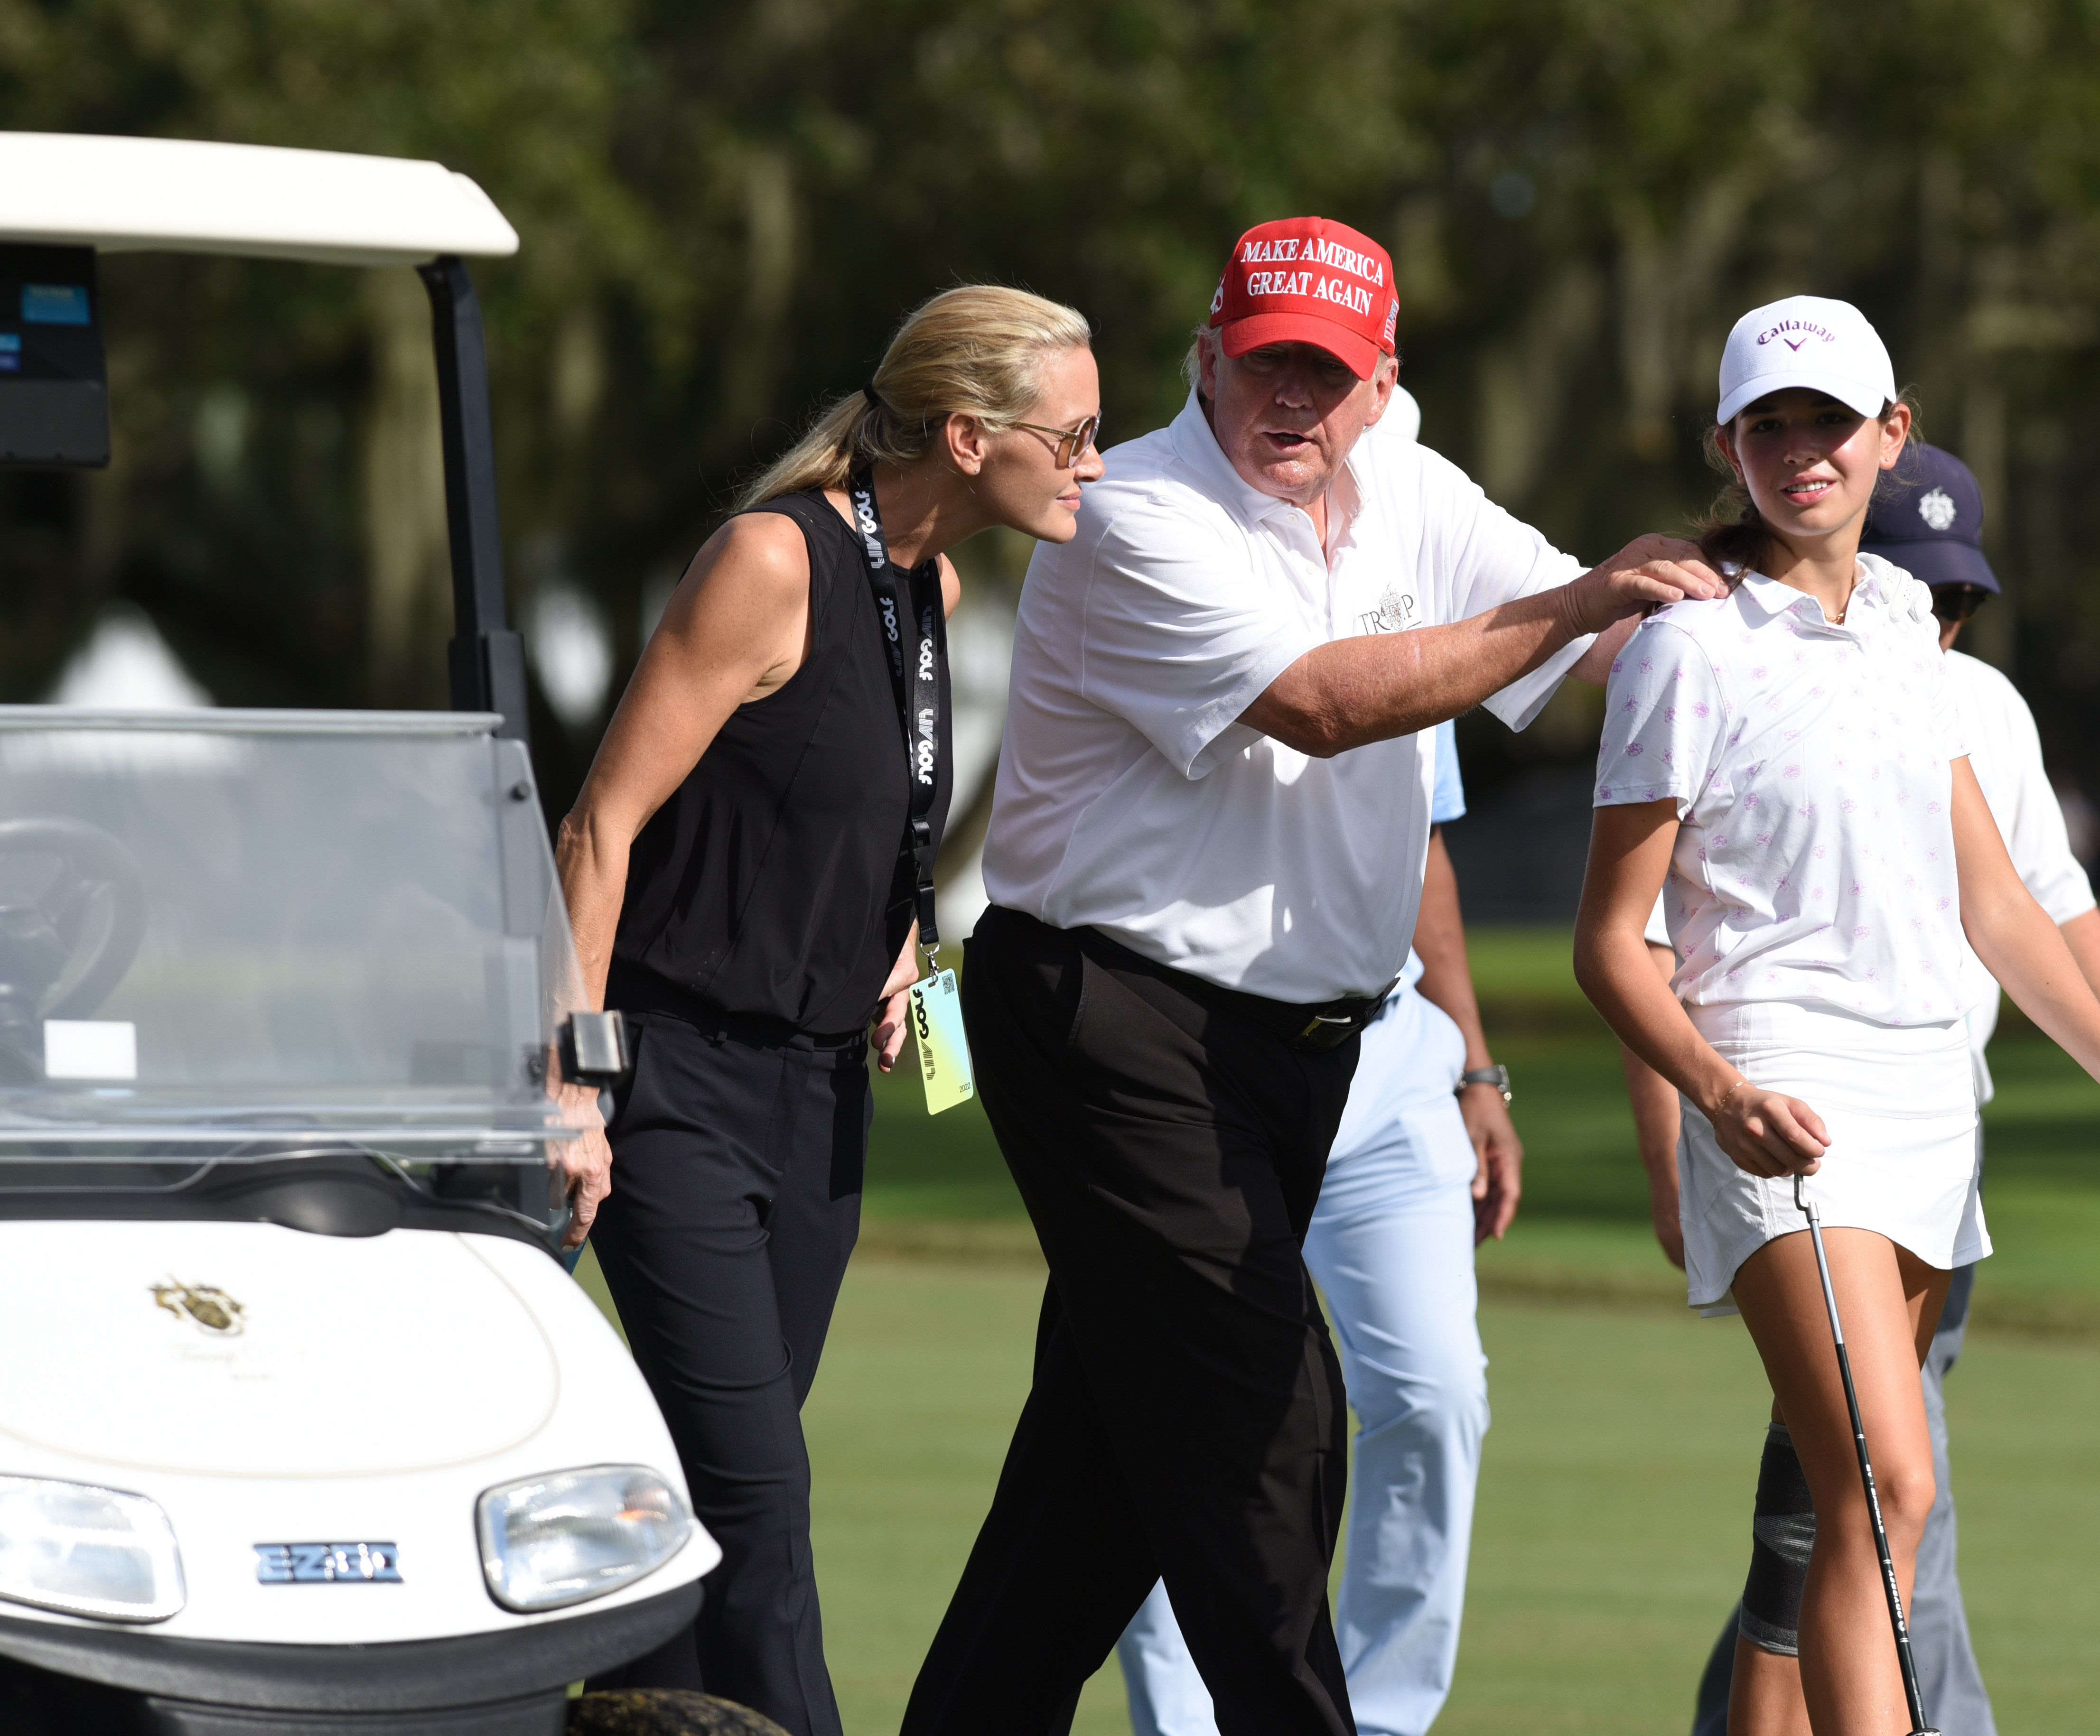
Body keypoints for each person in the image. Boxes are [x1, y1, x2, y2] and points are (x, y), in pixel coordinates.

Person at [900, 216, 1724, 1736]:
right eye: (1264, 361)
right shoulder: (1137, 510)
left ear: (1380, 379)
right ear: (1207, 357)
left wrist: (1776, 627)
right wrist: (1595, 594)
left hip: (1302, 1050)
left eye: (1325, 374)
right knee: (1269, 1427)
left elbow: (1602, 652)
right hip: (1109, 1020)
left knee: (1100, 1474)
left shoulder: (1407, 478)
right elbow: (1329, 703)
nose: (1292, 399)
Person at [1574, 295, 2100, 1736]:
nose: (1802, 451)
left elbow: (1992, 896)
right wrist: (1714, 1092)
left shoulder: (1915, 626)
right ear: (1727, 445)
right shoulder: (1685, 648)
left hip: (1929, 1097)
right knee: (1883, 1482)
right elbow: (1611, 945)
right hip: (1785, 1094)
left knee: (1869, 1519)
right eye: (1769, 424)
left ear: (1890, 433)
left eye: (1830, 421)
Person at [553, 285, 1105, 1736]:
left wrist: (899, 936)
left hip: (819, 1108)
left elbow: (876, 818)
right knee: (757, 1496)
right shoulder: (771, 560)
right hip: (669, 1086)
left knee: (701, 1501)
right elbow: (598, 830)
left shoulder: (934, 590)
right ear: (972, 434)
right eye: (1079, 433)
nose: (1095, 464)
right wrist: (570, 1085)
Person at [1116, 705, 1515, 1736]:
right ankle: (1186, 1725)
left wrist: (1473, 1063)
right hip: (1196, 1061)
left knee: (1435, 1392)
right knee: (1190, 1410)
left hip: (1387, 1055)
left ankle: (1376, 1724)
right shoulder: (1165, 571)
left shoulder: (1413, 591)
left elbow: (1419, 851)